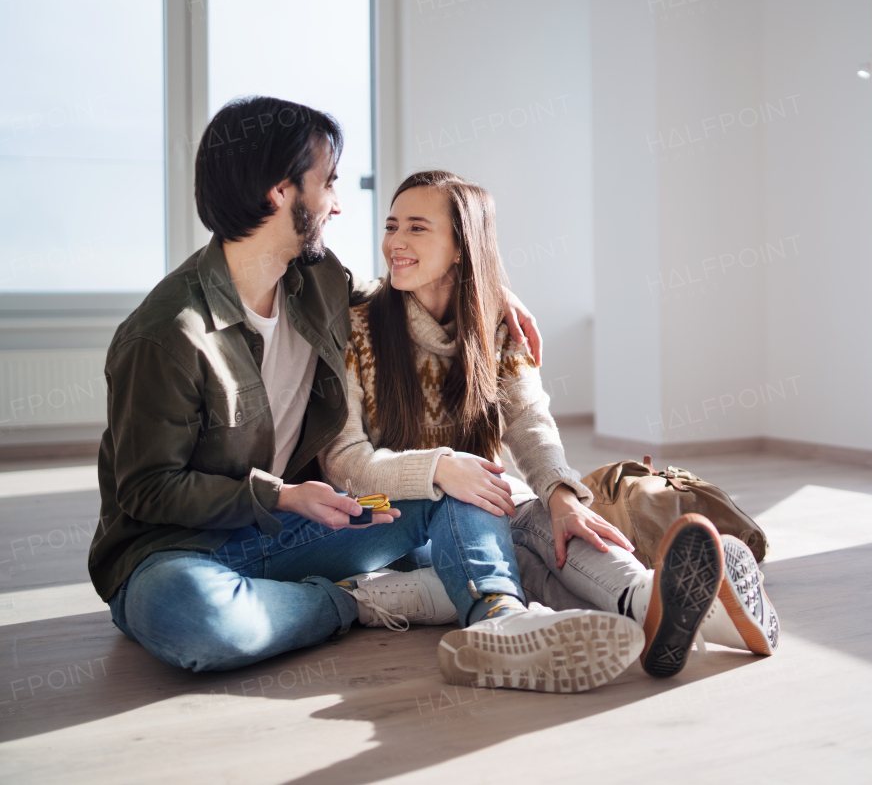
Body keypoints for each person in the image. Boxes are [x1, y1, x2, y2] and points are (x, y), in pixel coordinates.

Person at [86, 96, 597, 681]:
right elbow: (149, 492)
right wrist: (280, 495)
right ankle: (360, 600)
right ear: (280, 193)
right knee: (195, 616)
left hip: (300, 528)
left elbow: (401, 298)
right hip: (179, 555)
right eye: (328, 182)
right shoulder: (166, 334)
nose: (336, 204)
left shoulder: (319, 282)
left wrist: (485, 295)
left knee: (456, 477)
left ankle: (498, 621)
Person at [320, 171, 780, 687]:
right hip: (389, 521)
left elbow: (528, 419)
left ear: (460, 249)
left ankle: (648, 604)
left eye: (417, 228)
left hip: (478, 509)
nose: (395, 242)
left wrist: (563, 496)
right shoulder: (358, 326)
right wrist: (441, 471)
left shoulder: (493, 325)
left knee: (546, 525)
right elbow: (345, 462)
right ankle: (674, 609)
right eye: (391, 225)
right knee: (502, 517)